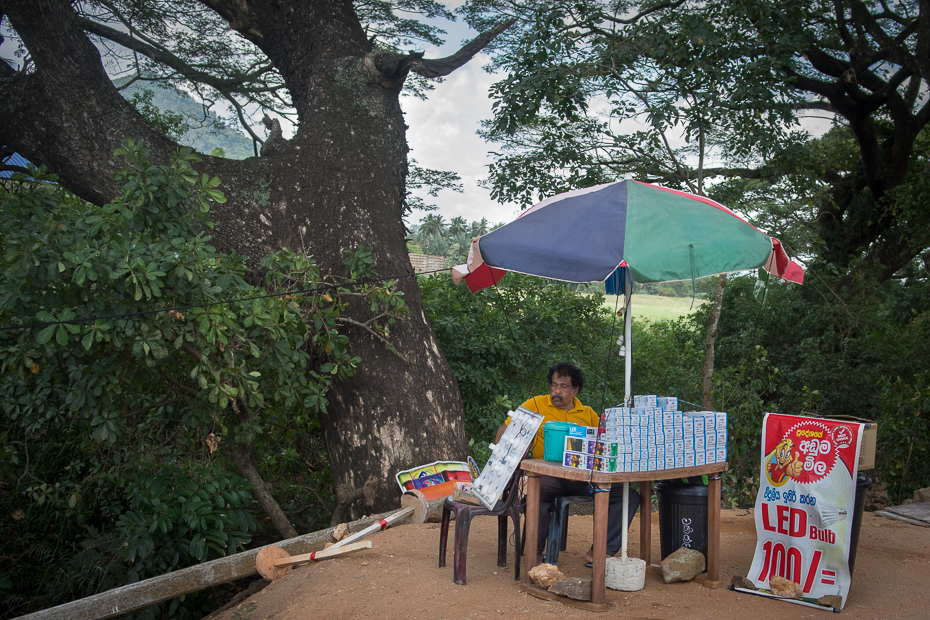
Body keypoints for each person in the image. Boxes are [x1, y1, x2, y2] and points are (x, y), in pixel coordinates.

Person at [495, 362, 640, 566]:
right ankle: (534, 553)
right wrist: (500, 457)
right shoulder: (535, 404)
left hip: (583, 480)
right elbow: (507, 428)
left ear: (575, 390)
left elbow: (603, 444)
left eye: (563, 387)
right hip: (551, 477)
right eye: (554, 386)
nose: (556, 391)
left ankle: (602, 550)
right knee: (539, 491)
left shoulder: (588, 414)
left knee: (628, 495)